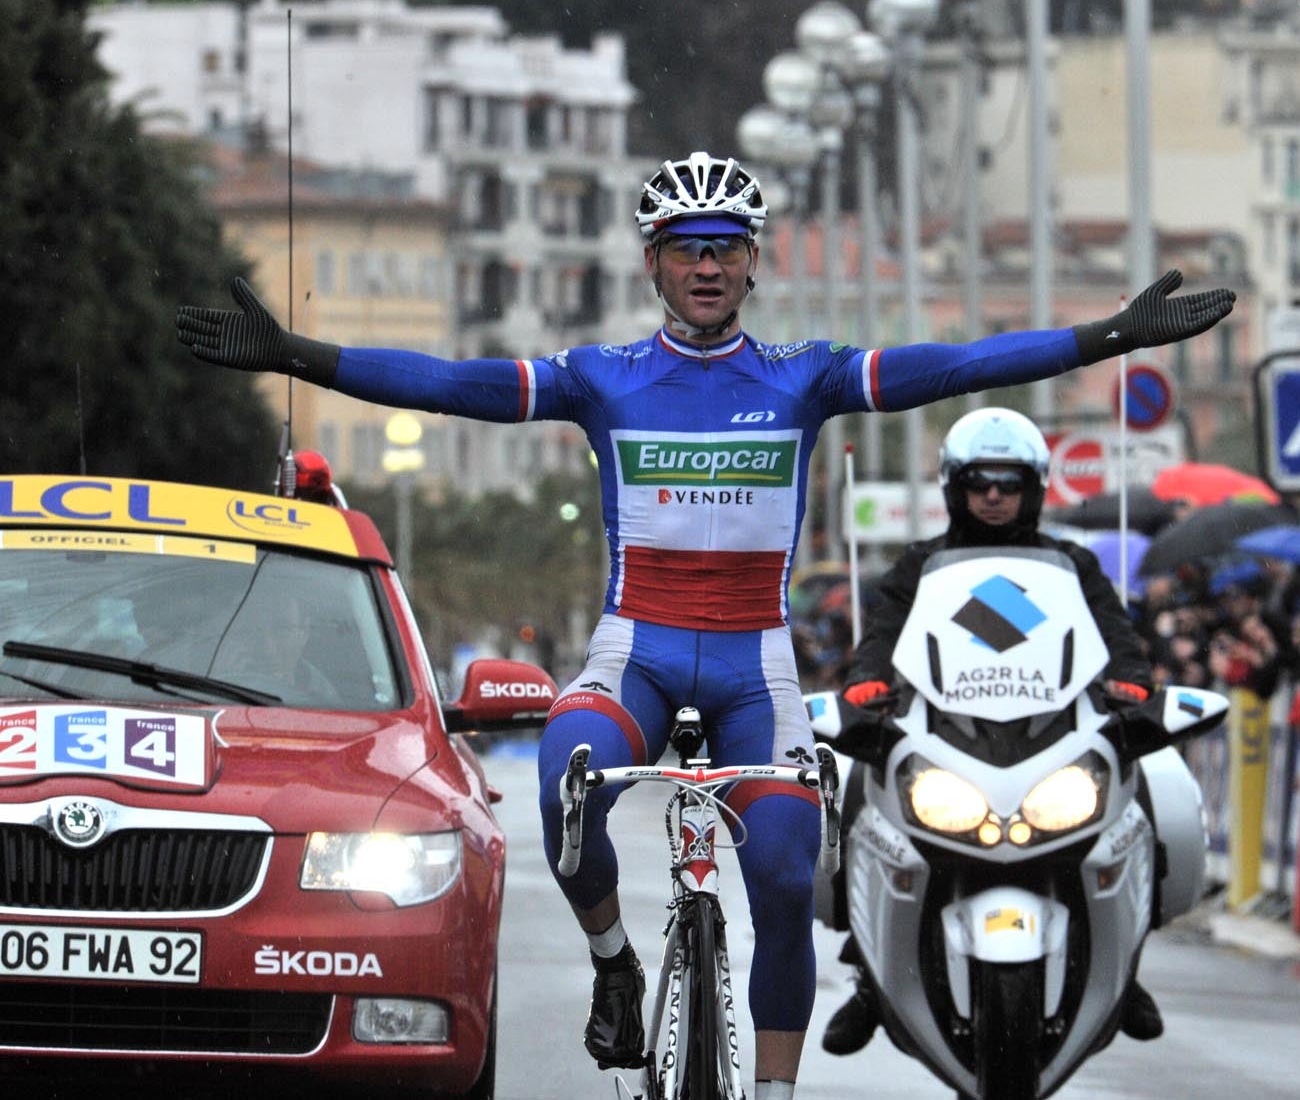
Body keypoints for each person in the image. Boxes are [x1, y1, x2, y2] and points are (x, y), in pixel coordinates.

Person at [176, 151, 1234, 1098]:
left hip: (752, 671)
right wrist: (298, 356)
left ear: (752, 264)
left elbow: (956, 365)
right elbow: (453, 385)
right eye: (687, 250)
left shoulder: (800, 378)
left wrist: (1105, 337)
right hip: (634, 647)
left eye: (726, 249)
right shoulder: (603, 379)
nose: (707, 267)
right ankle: (612, 965)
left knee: (780, 870)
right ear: (654, 264)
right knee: (567, 772)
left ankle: (771, 1088)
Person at [821, 407, 1164, 1057]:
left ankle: (1127, 966)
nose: (996, 496)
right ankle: (869, 975)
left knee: (1142, 783)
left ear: (1033, 488)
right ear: (958, 488)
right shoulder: (921, 565)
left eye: (1010, 484)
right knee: (862, 784)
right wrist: (865, 684)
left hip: (1052, 727)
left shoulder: (1072, 565)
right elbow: (881, 639)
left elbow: (1118, 639)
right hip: (947, 728)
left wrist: (1135, 685)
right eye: (982, 484)